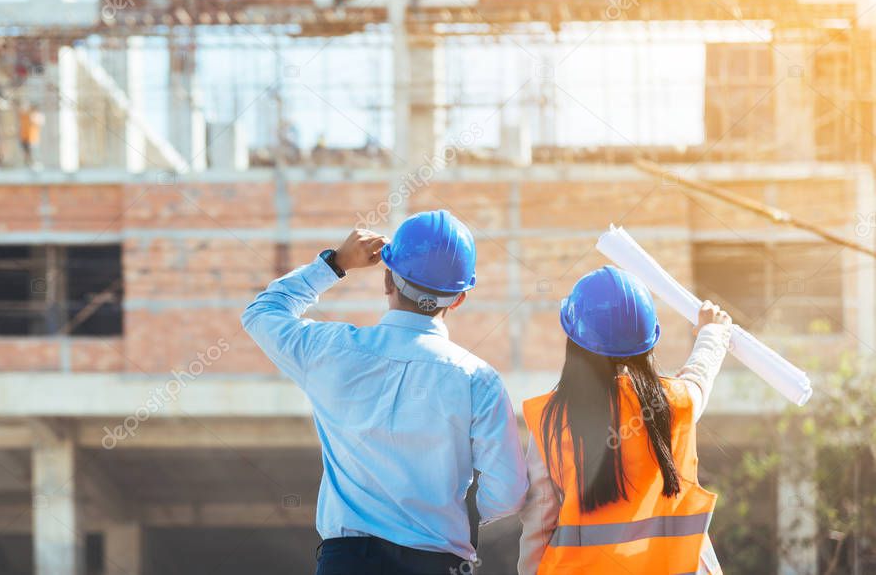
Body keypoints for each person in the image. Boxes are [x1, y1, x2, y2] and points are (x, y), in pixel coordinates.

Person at [242, 210, 528, 575]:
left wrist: (335, 263)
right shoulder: (478, 380)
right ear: (458, 298)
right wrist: (455, 513)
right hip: (440, 564)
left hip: (346, 563)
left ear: (387, 279)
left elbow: (263, 312)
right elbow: (509, 491)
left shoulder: (332, 351)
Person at [517, 266, 731, 574]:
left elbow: (538, 522)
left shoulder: (551, 420)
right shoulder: (674, 404)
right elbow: (699, 377)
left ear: (574, 341)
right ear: (648, 342)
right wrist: (713, 333)